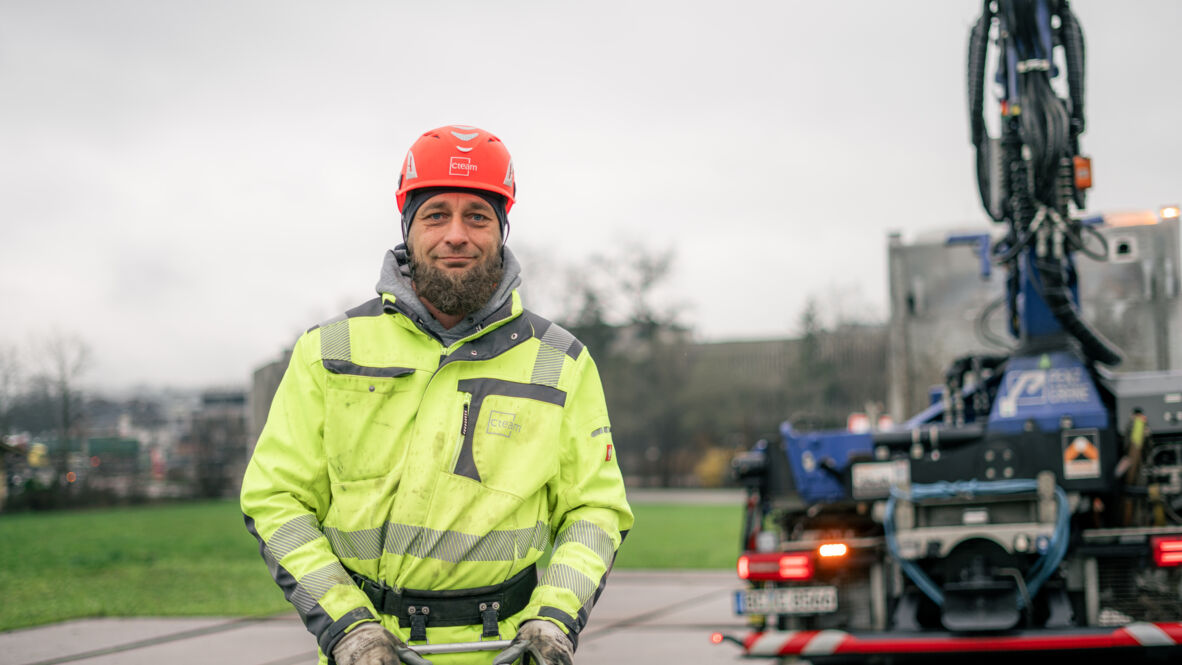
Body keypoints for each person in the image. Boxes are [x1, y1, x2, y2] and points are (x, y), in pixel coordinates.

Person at [241, 125, 633, 665]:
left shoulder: (562, 361)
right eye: (436, 214)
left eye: (477, 215)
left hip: (506, 652)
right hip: (367, 651)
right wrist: (347, 627)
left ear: (501, 230)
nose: (456, 234)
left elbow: (595, 511)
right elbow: (275, 499)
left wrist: (556, 617)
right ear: (408, 228)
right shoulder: (328, 350)